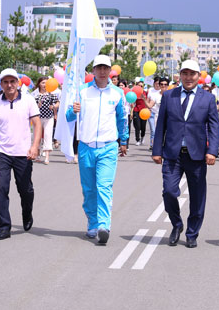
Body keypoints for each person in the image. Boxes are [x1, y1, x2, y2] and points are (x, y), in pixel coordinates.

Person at [153, 60, 219, 248]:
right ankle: (176, 224)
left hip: (197, 155)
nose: (188, 78)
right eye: (185, 74)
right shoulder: (169, 96)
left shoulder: (207, 98)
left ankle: (192, 233)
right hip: (173, 154)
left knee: (198, 196)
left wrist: (212, 151)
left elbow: (214, 127)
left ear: (199, 76)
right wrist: (157, 150)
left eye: (192, 74)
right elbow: (161, 125)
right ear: (180, 75)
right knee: (169, 192)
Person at [67, 55, 129, 244]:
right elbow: (68, 117)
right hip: (86, 147)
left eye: (105, 68)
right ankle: (92, 223)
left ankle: (104, 225)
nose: (102, 71)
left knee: (104, 187)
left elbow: (122, 119)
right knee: (89, 190)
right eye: (98, 68)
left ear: (110, 71)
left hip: (108, 147)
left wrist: (123, 140)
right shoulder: (82, 91)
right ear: (93, 70)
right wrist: (73, 110)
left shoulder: (117, 93)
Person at [0, 68, 42, 240]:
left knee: (26, 190)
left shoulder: (28, 100)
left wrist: (35, 146)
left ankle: (27, 212)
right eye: (6, 82)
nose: (9, 85)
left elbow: (37, 124)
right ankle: (4, 226)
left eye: (12, 81)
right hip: (1, 152)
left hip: (23, 152)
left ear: (18, 83)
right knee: (0, 188)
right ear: (1, 84)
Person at [35, 77, 60, 165]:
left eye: (46, 83)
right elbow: (32, 106)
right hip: (38, 118)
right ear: (39, 84)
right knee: (38, 136)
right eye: (42, 83)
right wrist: (37, 105)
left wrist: (54, 107)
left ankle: (47, 157)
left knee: (47, 135)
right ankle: (37, 154)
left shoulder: (52, 95)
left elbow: (57, 102)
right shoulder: (37, 96)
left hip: (49, 118)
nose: (44, 85)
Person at [147, 79, 163, 150]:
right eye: (156, 83)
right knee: (153, 130)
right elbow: (149, 103)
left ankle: (158, 145)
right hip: (152, 113)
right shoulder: (151, 91)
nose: (157, 85)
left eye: (158, 83)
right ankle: (152, 144)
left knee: (159, 131)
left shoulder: (164, 93)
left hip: (160, 114)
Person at [132, 81, 147, 145]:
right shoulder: (134, 93)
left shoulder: (145, 93)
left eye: (141, 86)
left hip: (144, 111)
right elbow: (132, 102)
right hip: (136, 110)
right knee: (137, 126)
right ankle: (137, 140)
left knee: (143, 127)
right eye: (139, 86)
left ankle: (142, 137)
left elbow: (148, 101)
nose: (140, 87)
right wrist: (132, 111)